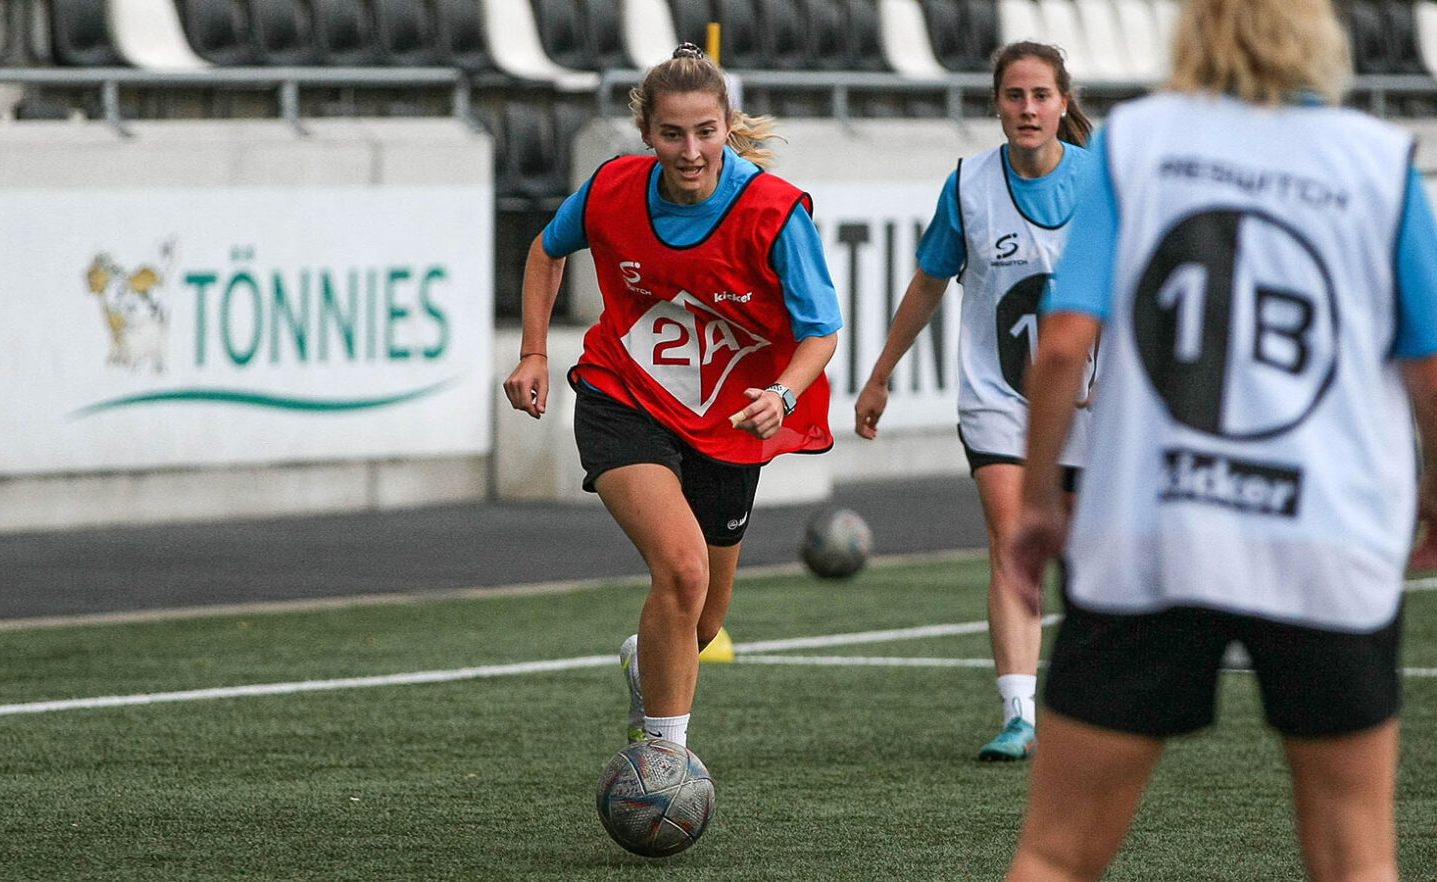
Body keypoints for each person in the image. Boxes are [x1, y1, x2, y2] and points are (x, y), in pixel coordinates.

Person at [1004, 0, 1437, 878]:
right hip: (1327, 532)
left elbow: (1059, 346)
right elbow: (1427, 367)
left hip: (1150, 530)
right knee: (1356, 856)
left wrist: (1042, 499)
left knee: (1056, 853)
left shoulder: (1137, 143)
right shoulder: (1378, 163)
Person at [502, 44, 841, 749]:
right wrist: (534, 351)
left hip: (732, 421)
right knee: (682, 568)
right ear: (646, 132)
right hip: (622, 395)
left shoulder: (774, 213)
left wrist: (782, 393)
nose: (690, 151)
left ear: (727, 127)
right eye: (672, 134)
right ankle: (665, 760)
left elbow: (822, 333)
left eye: (705, 132)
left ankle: (644, 659)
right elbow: (546, 249)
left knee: (704, 619)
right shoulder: (612, 189)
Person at [853, 41, 1094, 761]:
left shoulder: (1102, 182)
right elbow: (928, 283)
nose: (1027, 108)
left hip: (1089, 400)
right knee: (1012, 537)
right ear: (996, 103)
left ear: (1061, 103)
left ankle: (1086, 705)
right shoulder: (969, 186)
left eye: (1040, 95)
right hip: (998, 397)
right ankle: (1019, 713)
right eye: (1014, 95)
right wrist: (881, 373)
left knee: (1082, 554)